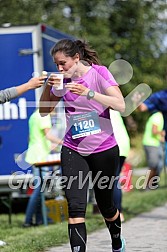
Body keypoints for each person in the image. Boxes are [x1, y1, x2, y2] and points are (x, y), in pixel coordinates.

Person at [39, 39, 126, 252]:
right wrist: (48, 90)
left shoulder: (99, 73)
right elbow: (43, 111)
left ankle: (116, 240)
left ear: (76, 58)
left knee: (105, 205)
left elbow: (121, 105)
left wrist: (88, 93)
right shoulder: (60, 81)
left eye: (63, 63)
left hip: (103, 149)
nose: (59, 69)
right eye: (56, 64)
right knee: (76, 208)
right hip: (73, 148)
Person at [23, 109, 63, 227]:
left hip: (34, 154)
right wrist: (64, 141)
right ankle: (28, 220)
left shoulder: (34, 115)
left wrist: (52, 147)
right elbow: (48, 135)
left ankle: (40, 219)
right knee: (38, 189)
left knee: (40, 189)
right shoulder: (44, 116)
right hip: (39, 156)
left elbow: (33, 137)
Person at [110, 110, 130, 222]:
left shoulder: (99, 108)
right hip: (124, 143)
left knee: (112, 180)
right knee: (114, 179)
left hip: (113, 144)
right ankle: (117, 212)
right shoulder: (114, 107)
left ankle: (117, 213)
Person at [138, 89, 167, 165]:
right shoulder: (157, 115)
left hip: (154, 143)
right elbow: (142, 107)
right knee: (155, 167)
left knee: (157, 167)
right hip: (152, 143)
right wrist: (138, 100)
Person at [142, 111, 165, 188]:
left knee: (158, 165)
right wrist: (162, 133)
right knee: (153, 165)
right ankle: (147, 186)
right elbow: (154, 131)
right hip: (150, 143)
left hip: (155, 143)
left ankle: (153, 185)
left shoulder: (160, 117)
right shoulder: (158, 116)